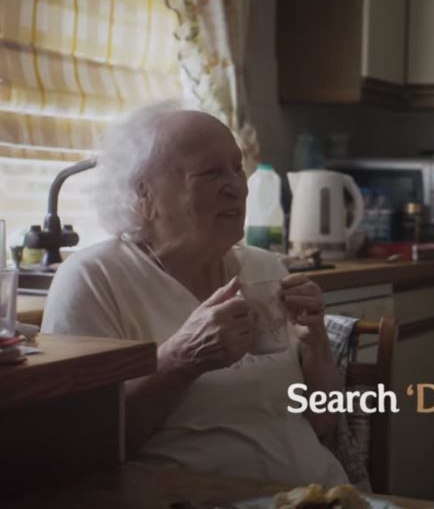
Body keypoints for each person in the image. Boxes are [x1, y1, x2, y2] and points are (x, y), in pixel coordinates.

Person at [42, 102, 348, 486]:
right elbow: (80, 453)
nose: (237, 186)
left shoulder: (266, 270)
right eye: (211, 172)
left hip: (319, 495)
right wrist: (180, 360)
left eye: (238, 168)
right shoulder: (95, 279)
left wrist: (316, 343)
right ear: (144, 194)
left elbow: (323, 420)